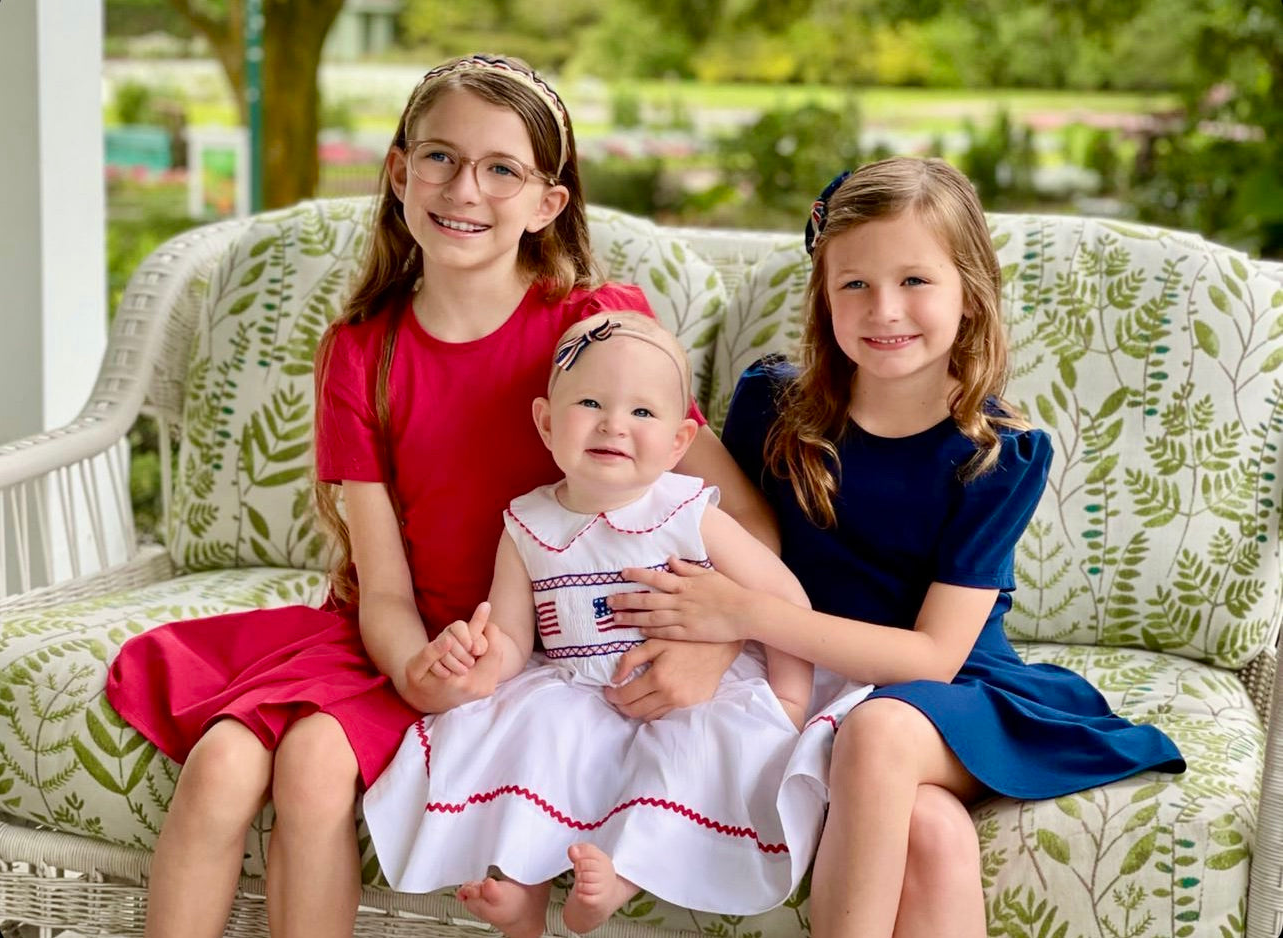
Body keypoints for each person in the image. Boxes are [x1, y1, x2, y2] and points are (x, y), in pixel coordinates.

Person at [104, 55, 771, 938]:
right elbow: (380, 587)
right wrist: (415, 671)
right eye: (440, 158)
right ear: (398, 171)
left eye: (503, 169)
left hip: (548, 645)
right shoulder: (362, 352)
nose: (466, 187)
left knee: (309, 766)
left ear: (547, 203)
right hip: (404, 637)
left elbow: (739, 520)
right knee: (221, 766)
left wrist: (712, 647)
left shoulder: (593, 326)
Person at [607, 157, 1187, 938]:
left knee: (876, 732)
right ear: (823, 296)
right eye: (855, 284)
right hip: (810, 678)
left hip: (947, 694)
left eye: (915, 281)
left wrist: (745, 612)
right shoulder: (770, 407)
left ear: (969, 290)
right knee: (932, 833)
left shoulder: (998, 452)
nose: (885, 310)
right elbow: (718, 530)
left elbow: (931, 659)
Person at [363, 311, 843, 938]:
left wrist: (787, 698)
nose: (615, 424)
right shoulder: (527, 523)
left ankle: (621, 875)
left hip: (691, 691)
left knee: (695, 748)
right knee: (533, 738)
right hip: (575, 685)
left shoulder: (686, 509)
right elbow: (512, 638)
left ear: (677, 443)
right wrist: (482, 654)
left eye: (643, 413)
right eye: (590, 402)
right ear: (545, 423)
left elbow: (780, 597)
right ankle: (522, 890)